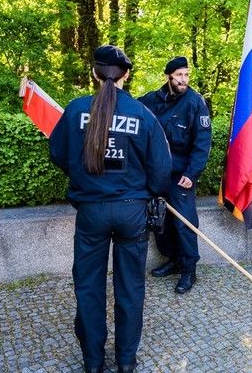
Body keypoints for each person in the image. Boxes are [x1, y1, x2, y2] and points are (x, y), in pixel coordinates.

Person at [49, 45, 172, 373]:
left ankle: (93, 362)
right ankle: (126, 361)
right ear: (126, 75)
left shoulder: (76, 111)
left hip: (91, 211)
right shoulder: (143, 114)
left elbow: (59, 154)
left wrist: (86, 178)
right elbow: (162, 171)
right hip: (132, 213)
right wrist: (142, 190)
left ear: (94, 73)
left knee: (89, 286)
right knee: (130, 287)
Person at [138, 56, 212, 294]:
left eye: (187, 75)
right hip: (157, 174)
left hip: (182, 176)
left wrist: (192, 173)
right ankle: (173, 260)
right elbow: (128, 109)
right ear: (168, 76)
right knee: (161, 221)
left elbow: (203, 143)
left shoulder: (195, 102)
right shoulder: (151, 100)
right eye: (179, 75)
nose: (184, 79)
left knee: (184, 222)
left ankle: (189, 269)